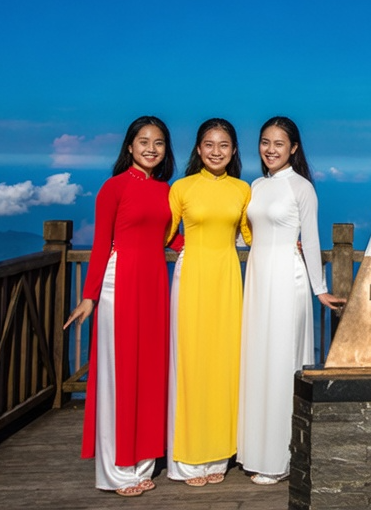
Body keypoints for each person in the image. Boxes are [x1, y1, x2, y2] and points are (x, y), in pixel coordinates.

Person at [64, 116, 181, 498]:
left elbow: (176, 238)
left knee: (149, 372)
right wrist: (89, 295)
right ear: (129, 146)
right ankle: (115, 471)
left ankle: (143, 463)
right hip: (120, 283)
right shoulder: (113, 188)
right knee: (118, 375)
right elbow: (101, 244)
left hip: (153, 287)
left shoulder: (166, 190)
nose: (151, 148)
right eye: (143, 141)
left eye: (159, 142)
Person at [238, 116, 346, 485]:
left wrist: (320, 288)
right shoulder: (256, 185)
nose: (270, 149)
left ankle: (280, 457)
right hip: (257, 278)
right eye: (265, 142)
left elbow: (311, 240)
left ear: (294, 148)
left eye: (279, 144)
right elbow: (250, 234)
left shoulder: (301, 188)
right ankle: (254, 450)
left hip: (287, 279)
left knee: (282, 361)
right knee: (258, 359)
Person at [166, 118, 251, 487]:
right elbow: (165, 233)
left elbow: (252, 235)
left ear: (233, 151)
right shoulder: (181, 188)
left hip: (228, 279)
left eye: (224, 145)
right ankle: (187, 458)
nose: (216, 151)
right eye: (209, 144)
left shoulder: (243, 189)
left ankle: (218, 453)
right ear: (198, 149)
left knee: (224, 362)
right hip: (193, 277)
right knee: (191, 362)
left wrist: (290, 246)